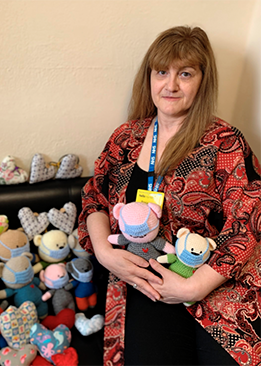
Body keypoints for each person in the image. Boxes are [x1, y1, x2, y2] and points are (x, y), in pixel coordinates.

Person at [78, 25, 261, 366]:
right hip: (145, 281)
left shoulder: (225, 142)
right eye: (162, 72)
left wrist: (194, 288)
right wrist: (104, 250)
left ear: (202, 81)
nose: (171, 85)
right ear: (150, 77)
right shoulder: (127, 137)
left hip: (212, 280)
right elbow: (94, 198)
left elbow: (250, 219)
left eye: (185, 73)